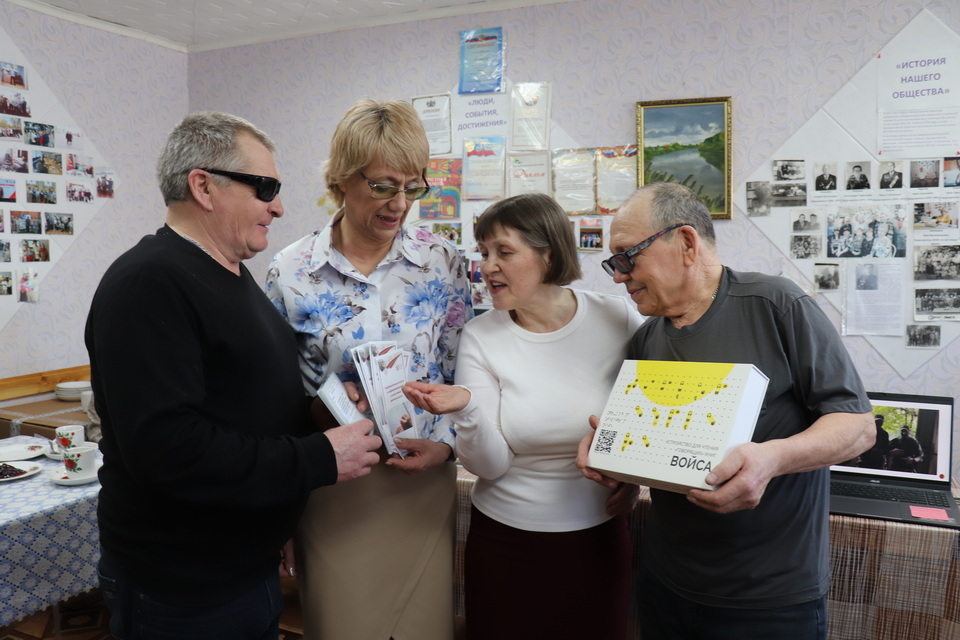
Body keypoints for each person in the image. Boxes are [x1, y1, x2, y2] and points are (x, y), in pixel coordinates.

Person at [84, 112, 382, 640]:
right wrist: (317, 458)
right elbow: (168, 451)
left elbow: (249, 405)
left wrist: (322, 415)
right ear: (203, 186)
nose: (279, 207)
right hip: (186, 588)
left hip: (246, 567)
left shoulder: (232, 274)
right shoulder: (150, 283)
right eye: (265, 188)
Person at [577, 182, 875, 640]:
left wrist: (772, 458)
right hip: (665, 582)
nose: (618, 276)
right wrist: (616, 457)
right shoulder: (646, 339)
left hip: (769, 598)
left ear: (686, 243)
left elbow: (858, 426)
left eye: (627, 257)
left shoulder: (777, 305)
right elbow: (656, 443)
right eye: (613, 263)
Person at [265, 98, 472, 640]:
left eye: (413, 186)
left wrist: (446, 447)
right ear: (341, 179)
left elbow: (464, 372)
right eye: (382, 186)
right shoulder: (291, 271)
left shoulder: (443, 262)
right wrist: (280, 514)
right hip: (332, 487)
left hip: (421, 483)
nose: (399, 204)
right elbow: (274, 401)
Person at [402, 193, 643, 639]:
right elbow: (490, 465)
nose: (487, 266)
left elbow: (650, 412)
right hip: (505, 544)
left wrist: (631, 474)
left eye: (504, 252)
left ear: (548, 255)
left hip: (598, 539)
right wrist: (468, 408)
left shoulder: (619, 318)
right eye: (483, 252)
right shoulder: (481, 335)